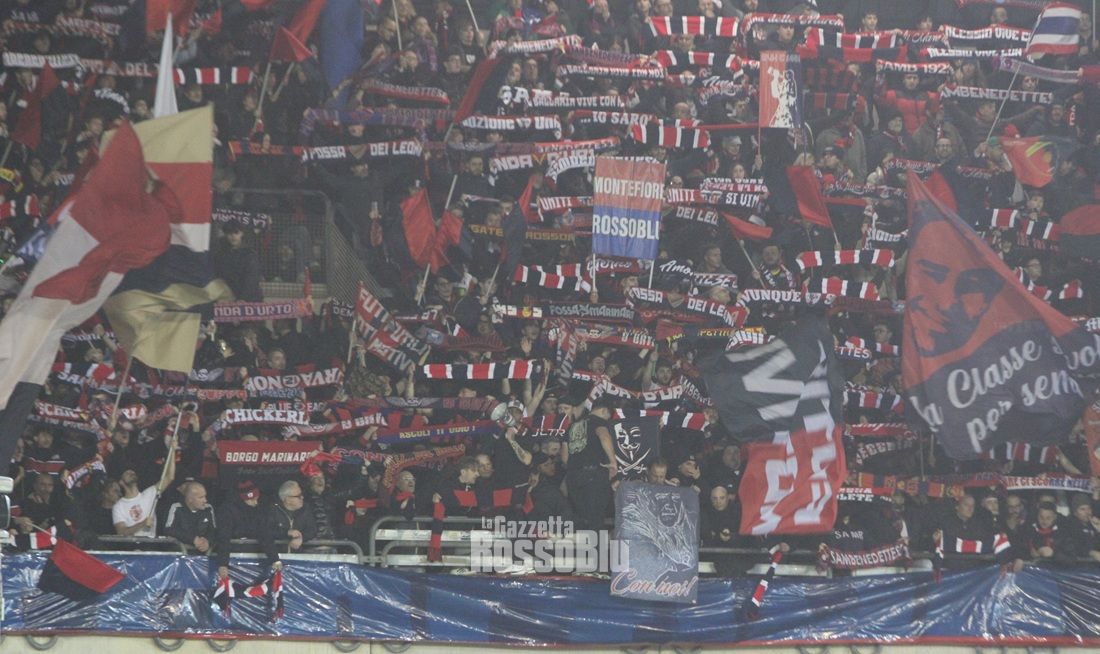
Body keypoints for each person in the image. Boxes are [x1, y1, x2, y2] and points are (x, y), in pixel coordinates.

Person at [563, 398, 617, 532]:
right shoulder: (599, 421)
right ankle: (596, 545)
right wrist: (613, 462)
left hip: (573, 476)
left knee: (581, 519)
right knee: (596, 520)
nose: (608, 419)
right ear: (604, 411)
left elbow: (564, 457)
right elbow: (604, 436)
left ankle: (582, 544)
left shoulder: (572, 426)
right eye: (608, 416)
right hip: (593, 475)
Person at [113, 453, 175, 538]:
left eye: (132, 471)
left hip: (151, 543)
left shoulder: (149, 494)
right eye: (127, 472)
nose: (131, 472)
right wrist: (142, 524)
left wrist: (172, 451)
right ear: (121, 482)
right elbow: (121, 531)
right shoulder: (118, 506)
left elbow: (169, 477)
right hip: (131, 544)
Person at [263, 480, 319, 557]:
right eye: (298, 496)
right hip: (278, 557)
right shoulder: (273, 511)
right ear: (287, 499)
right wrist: (287, 532)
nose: (302, 497)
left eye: (302, 494)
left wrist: (301, 538)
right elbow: (267, 531)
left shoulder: (306, 509)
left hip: (299, 558)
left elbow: (312, 530)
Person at [163, 481, 216, 553]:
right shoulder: (177, 507)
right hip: (179, 553)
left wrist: (207, 541)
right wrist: (193, 539)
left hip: (203, 554)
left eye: (205, 496)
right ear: (190, 499)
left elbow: (213, 530)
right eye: (201, 497)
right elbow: (169, 529)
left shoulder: (208, 508)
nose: (205, 500)